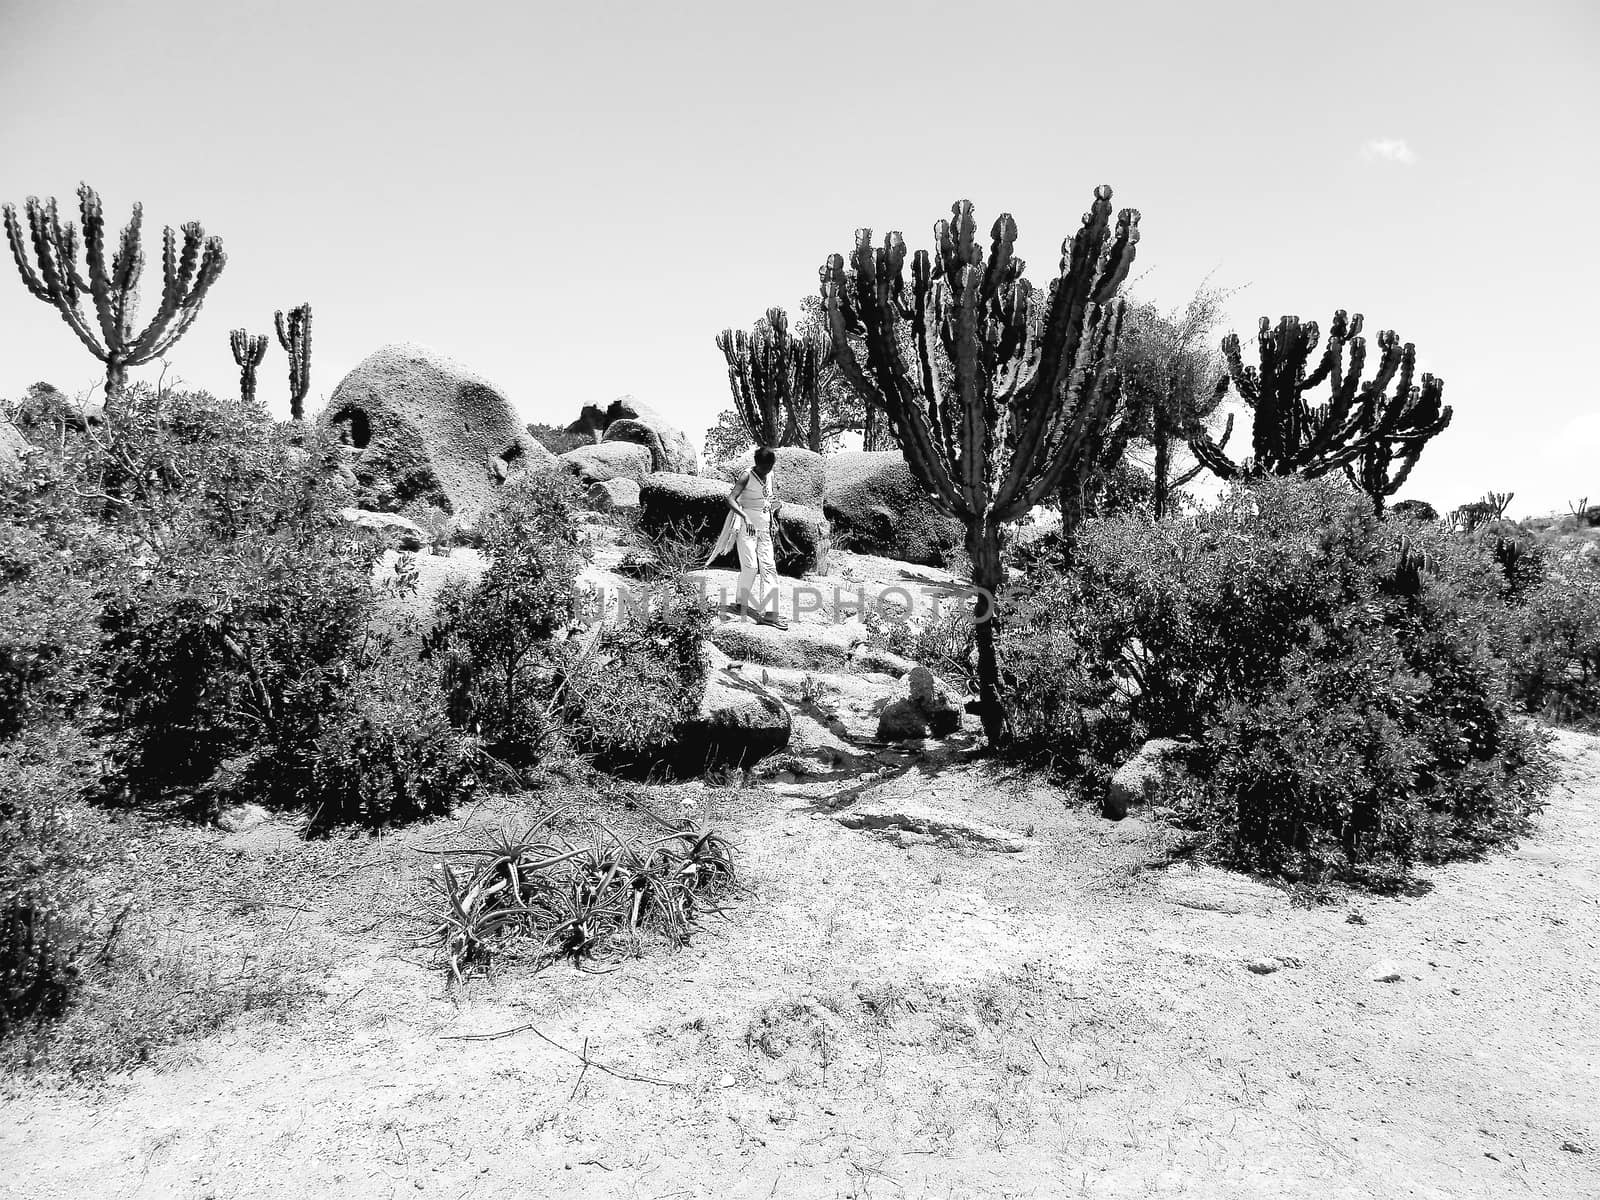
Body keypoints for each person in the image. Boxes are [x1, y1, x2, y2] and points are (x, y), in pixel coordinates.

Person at [707, 446, 787, 628]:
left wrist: (775, 508)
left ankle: (770, 614)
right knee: (750, 566)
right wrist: (745, 517)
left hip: (764, 526)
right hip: (747, 526)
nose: (768, 469)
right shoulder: (747, 475)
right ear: (758, 463)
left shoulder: (770, 475)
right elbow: (730, 499)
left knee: (769, 567)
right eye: (766, 466)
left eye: (771, 466)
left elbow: (768, 497)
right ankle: (740, 603)